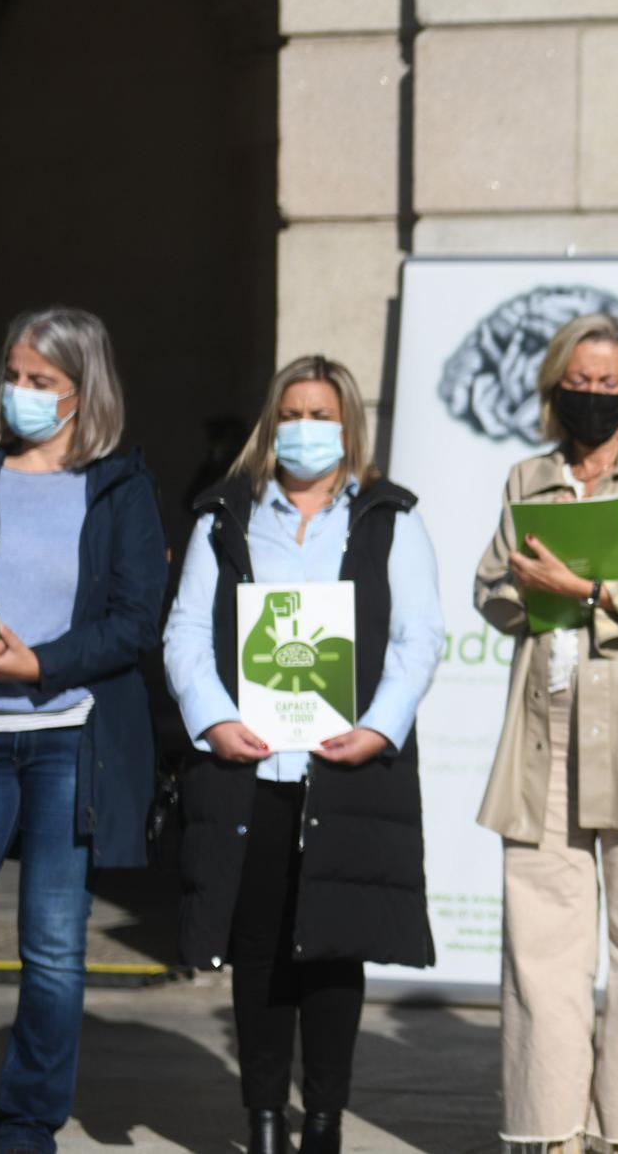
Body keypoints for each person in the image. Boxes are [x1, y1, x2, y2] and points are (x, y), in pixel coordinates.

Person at [165, 355, 443, 1154]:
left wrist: (379, 726)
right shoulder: (223, 515)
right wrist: (214, 720)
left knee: (331, 953)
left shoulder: (389, 517)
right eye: (291, 411)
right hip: (252, 769)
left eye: (322, 413)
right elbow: (184, 632)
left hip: (346, 769)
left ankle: (321, 1124)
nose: (305, 428)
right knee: (256, 954)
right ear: (270, 420)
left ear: (347, 425)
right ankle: (261, 1122)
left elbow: (418, 637)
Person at [0, 308, 168, 1154]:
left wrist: (40, 664)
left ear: (82, 390)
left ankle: (27, 1131)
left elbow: (138, 620)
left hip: (70, 735)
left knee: (55, 953)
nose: (21, 393)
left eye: (42, 382)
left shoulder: (119, 485)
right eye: (15, 375)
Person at [474, 312, 618, 1154]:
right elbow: (491, 587)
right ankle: (549, 1131)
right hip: (547, 729)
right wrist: (528, 588)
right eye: (581, 381)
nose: (595, 396)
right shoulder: (527, 476)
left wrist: (590, 590)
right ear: (553, 387)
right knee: (540, 950)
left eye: (611, 384)